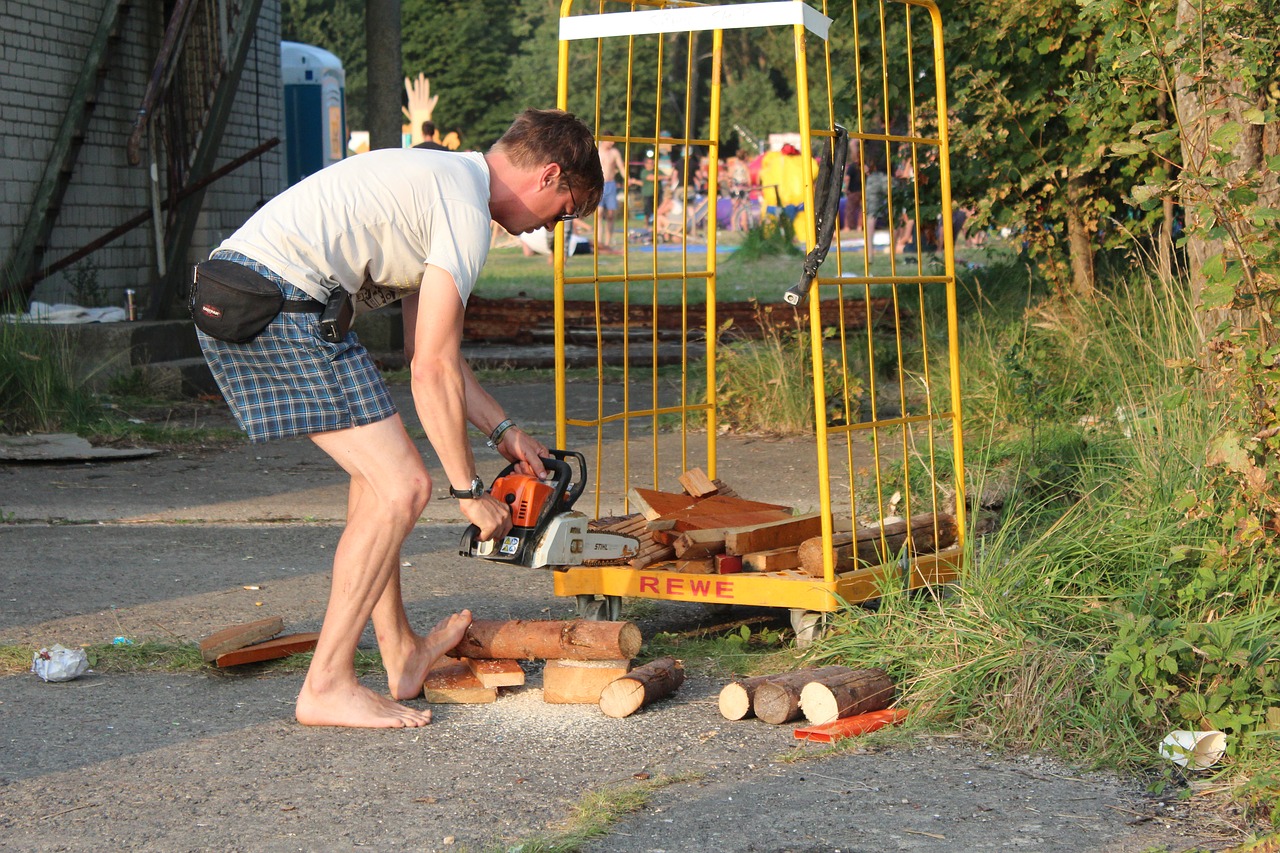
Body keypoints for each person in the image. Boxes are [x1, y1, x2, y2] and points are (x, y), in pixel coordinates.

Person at [196, 108, 603, 729]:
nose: (553, 226)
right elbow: (430, 369)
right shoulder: (464, 210)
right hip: (271, 305)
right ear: (549, 176)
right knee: (404, 487)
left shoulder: (445, 184)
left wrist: (504, 432)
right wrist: (468, 491)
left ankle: (402, 654)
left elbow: (429, 350)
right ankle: (326, 685)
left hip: (269, 298)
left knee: (376, 485)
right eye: (567, 210)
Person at [596, 135, 625, 249]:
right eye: (610, 141)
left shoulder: (614, 152)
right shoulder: (597, 150)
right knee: (599, 213)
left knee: (610, 215)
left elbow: (621, 166)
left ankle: (607, 242)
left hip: (611, 184)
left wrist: (626, 178)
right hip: (599, 183)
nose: (612, 143)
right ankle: (599, 241)